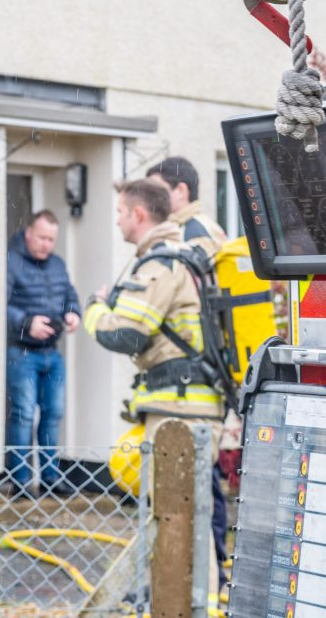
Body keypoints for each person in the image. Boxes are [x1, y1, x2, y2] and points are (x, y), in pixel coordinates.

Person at [84, 179, 224, 594]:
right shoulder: (183, 258)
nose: (118, 222)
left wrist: (94, 310)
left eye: (120, 213)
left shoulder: (159, 265)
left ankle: (199, 605)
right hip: (189, 407)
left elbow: (127, 335)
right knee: (180, 519)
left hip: (178, 411)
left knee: (183, 523)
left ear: (139, 215)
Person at [146, 156, 231, 586]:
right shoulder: (196, 232)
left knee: (203, 488)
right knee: (200, 485)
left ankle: (207, 583)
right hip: (201, 377)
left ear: (181, 193)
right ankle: (198, 582)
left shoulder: (194, 237)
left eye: (159, 193)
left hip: (196, 380)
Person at [5, 210, 81, 496]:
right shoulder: (11, 262)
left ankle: (50, 477)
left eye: (51, 239)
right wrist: (26, 323)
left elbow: (70, 296)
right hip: (22, 353)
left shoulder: (58, 265)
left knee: (54, 414)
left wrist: (73, 313)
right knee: (23, 415)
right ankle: (21, 481)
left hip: (52, 353)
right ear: (28, 234)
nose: (46, 244)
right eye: (42, 237)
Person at [146, 156, 227, 263]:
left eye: (156, 190)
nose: (149, 198)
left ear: (180, 191)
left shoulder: (197, 231)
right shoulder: (181, 227)